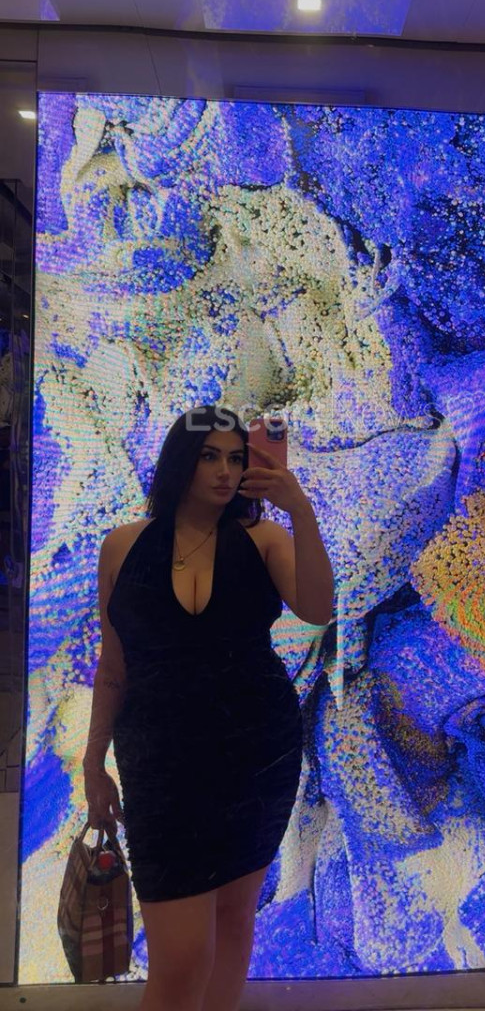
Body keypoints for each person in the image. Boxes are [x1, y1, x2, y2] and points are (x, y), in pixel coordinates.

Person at [82, 404, 334, 1011]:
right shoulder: (122, 547)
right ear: (180, 463)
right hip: (159, 764)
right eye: (209, 457)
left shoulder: (265, 540)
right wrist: (93, 761)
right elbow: (114, 666)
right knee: (181, 957)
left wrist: (299, 509)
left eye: (236, 458)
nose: (225, 472)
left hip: (257, 754)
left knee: (234, 919)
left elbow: (318, 609)